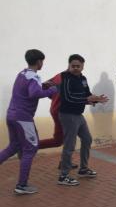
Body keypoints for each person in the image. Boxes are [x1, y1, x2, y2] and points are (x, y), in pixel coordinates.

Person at [0, 50, 58, 194]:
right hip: (23, 118)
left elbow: (28, 90)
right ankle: (22, 185)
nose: (42, 64)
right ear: (39, 61)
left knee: (14, 146)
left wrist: (44, 86)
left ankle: (22, 184)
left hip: (12, 115)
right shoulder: (34, 76)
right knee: (31, 148)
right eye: (42, 61)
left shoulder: (22, 74)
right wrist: (52, 90)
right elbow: (34, 93)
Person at [57, 54, 109, 186]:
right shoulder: (65, 78)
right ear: (69, 65)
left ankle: (83, 169)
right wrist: (87, 100)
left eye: (78, 66)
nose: (75, 68)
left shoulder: (83, 78)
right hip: (68, 115)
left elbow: (87, 94)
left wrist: (96, 98)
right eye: (73, 66)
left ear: (82, 66)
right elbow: (68, 98)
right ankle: (63, 176)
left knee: (87, 139)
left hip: (78, 115)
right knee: (70, 145)